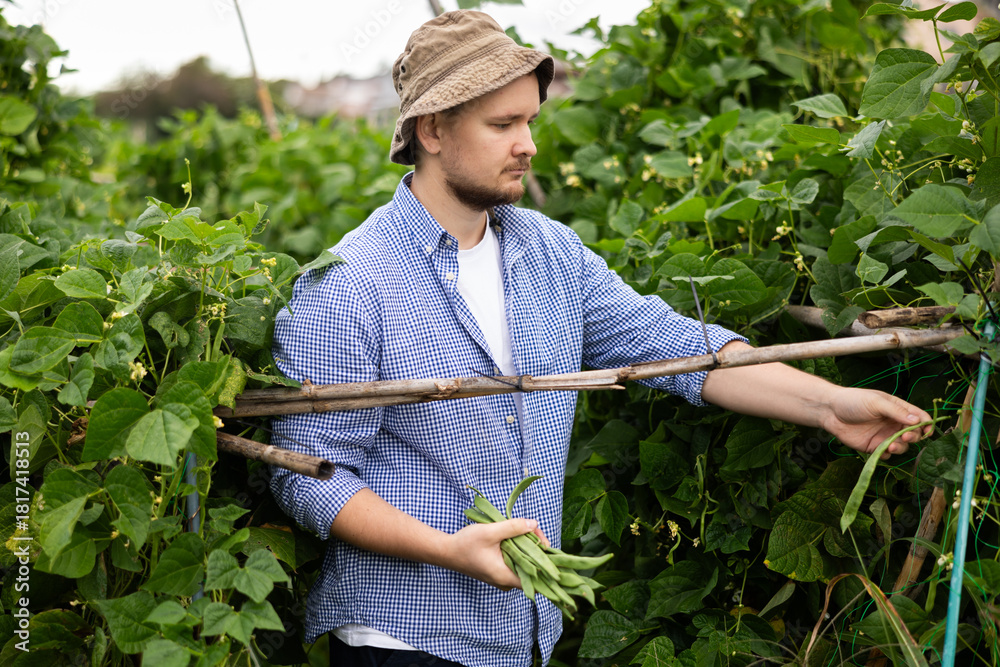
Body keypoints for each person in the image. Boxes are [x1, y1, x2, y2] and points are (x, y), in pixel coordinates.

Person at [269, 10, 933, 667]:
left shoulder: (550, 253)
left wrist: (828, 405)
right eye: (502, 124)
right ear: (432, 129)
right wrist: (447, 547)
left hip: (521, 633)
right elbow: (312, 475)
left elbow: (674, 348)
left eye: (530, 120)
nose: (527, 143)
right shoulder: (351, 282)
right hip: (406, 639)